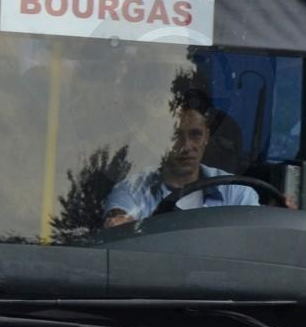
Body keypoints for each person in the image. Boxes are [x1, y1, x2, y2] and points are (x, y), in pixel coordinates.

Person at [105, 88, 261, 227]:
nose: (186, 146)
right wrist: (120, 223)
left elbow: (251, 240)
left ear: (207, 136)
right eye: (175, 136)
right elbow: (120, 223)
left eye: (196, 135)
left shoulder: (237, 193)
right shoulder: (133, 191)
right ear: (160, 138)